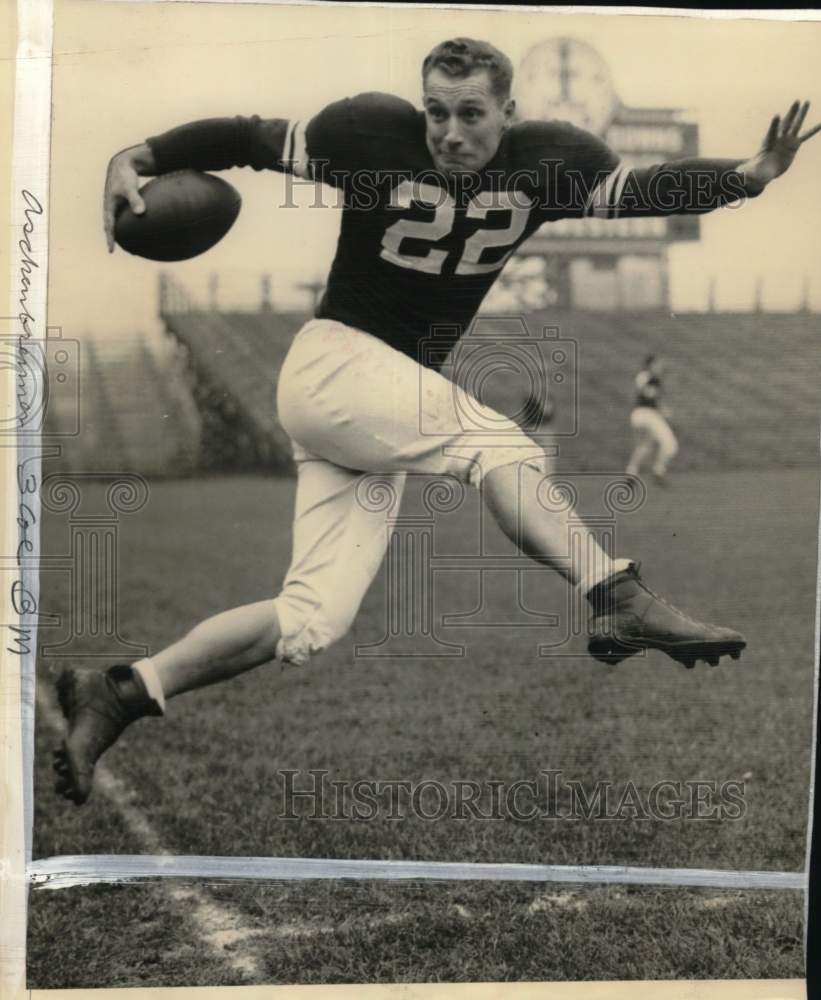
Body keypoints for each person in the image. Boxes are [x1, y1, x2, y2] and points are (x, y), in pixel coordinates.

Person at [54, 38, 819, 805]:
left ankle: (117, 692)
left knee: (309, 620)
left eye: (470, 114)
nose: (449, 132)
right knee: (497, 444)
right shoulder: (371, 137)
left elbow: (651, 189)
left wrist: (744, 178)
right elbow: (249, 137)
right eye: (436, 112)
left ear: (508, 113)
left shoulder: (546, 164)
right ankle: (615, 598)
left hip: (375, 401)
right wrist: (140, 154)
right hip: (336, 363)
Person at [626, 355, 678, 484]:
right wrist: (663, 410)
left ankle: (631, 472)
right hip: (648, 415)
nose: (660, 366)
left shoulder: (642, 377)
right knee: (670, 445)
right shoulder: (652, 379)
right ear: (651, 365)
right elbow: (650, 396)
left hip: (638, 415)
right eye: (657, 364)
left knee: (644, 446)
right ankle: (658, 471)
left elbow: (644, 392)